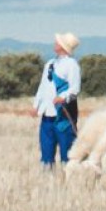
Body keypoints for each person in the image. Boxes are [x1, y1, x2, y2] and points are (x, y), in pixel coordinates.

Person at [33, 32, 82, 166]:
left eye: (58, 43)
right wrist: (36, 105)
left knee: (68, 153)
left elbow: (75, 88)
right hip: (47, 114)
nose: (55, 44)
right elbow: (43, 87)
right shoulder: (50, 63)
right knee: (46, 152)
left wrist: (63, 97)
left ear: (63, 47)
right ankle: (48, 180)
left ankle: (69, 179)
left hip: (63, 116)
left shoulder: (72, 65)